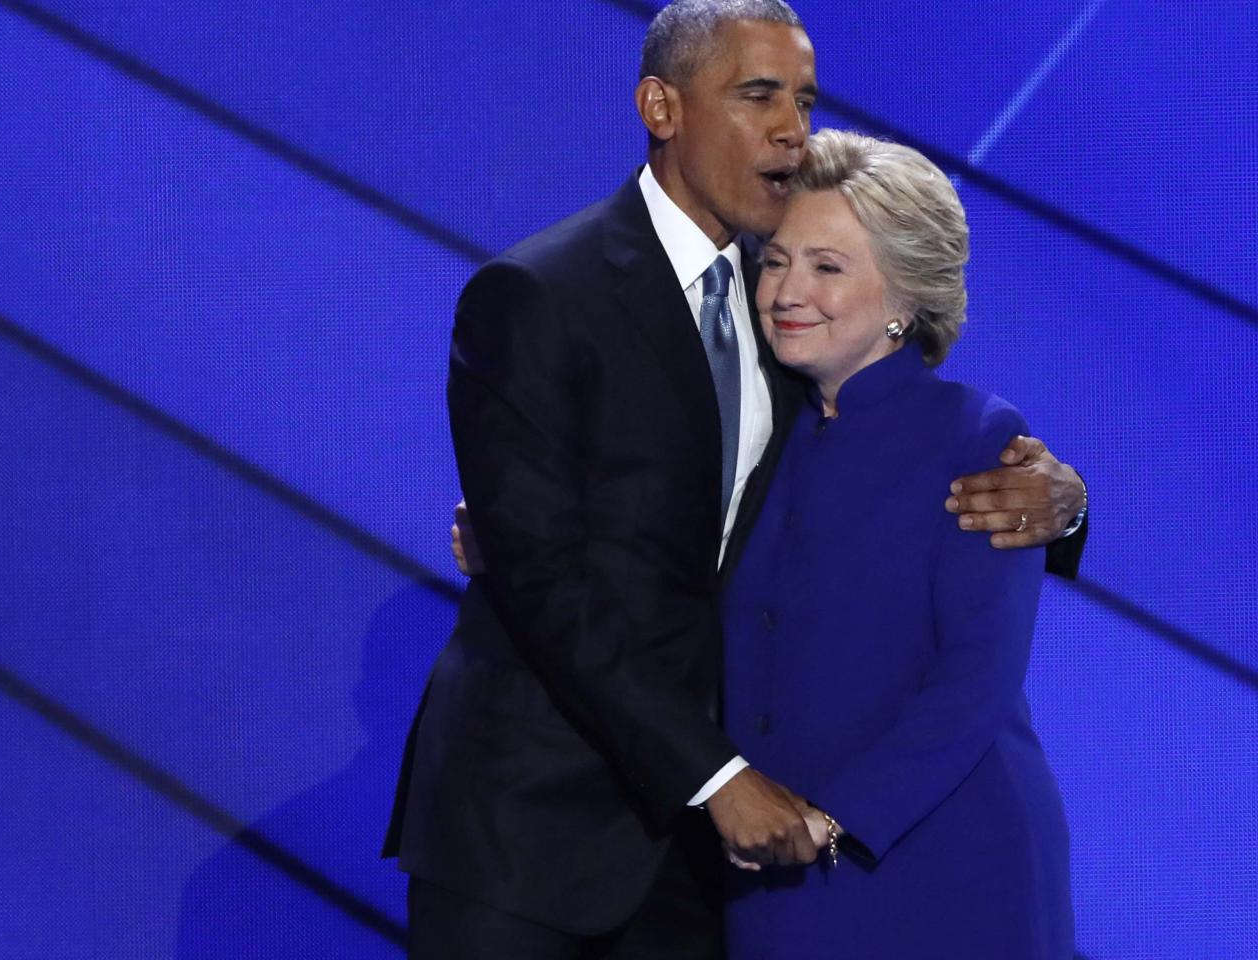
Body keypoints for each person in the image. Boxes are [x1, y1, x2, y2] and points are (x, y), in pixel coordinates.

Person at [385, 2, 1086, 956]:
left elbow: (907, 461)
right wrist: (716, 776)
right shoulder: (540, 295)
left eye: (803, 98)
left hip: (724, 861)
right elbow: (550, 573)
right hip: (538, 829)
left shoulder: (790, 309)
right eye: (758, 94)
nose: (791, 127)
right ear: (661, 107)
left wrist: (1066, 507)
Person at [721, 129, 1073, 959]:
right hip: (772, 872)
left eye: (828, 267)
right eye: (776, 260)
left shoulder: (979, 438)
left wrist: (835, 817)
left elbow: (977, 678)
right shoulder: (756, 427)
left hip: (941, 870)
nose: (786, 291)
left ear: (904, 301)